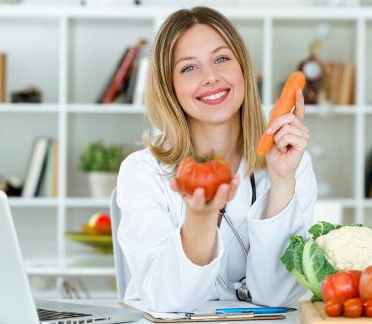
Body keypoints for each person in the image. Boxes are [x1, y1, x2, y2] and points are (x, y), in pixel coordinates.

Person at [116, 6, 317, 312]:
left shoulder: (292, 160)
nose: (211, 77)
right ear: (169, 87)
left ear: (243, 68)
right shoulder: (143, 172)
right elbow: (168, 302)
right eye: (188, 68)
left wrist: (281, 181)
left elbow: (277, 299)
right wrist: (199, 216)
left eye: (221, 59)